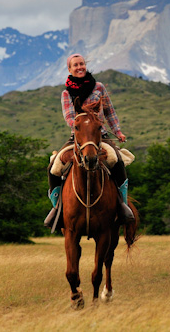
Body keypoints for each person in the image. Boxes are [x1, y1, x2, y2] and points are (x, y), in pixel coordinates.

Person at [44, 54, 134, 228]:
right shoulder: (66, 93)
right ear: (69, 69)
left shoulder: (98, 87)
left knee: (117, 160)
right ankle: (57, 209)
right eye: (75, 65)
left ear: (86, 66)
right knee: (54, 166)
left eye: (82, 64)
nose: (80, 67)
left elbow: (110, 112)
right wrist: (83, 126)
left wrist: (118, 131)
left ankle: (122, 205)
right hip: (77, 137)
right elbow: (69, 117)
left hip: (100, 136)